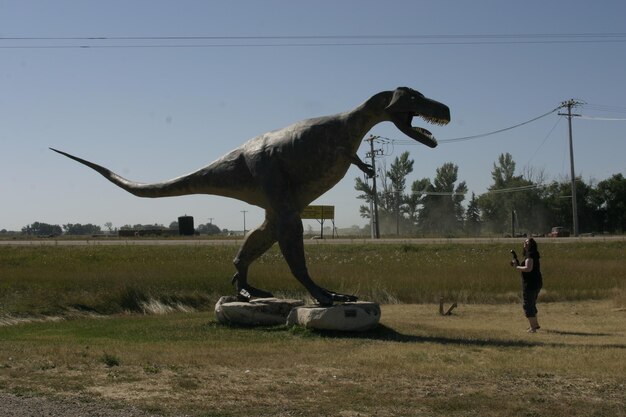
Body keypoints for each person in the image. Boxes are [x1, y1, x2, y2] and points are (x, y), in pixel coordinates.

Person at [511, 238, 543, 333]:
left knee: (528, 305)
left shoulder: (530, 255)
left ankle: (533, 328)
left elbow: (528, 268)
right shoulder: (533, 254)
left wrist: (517, 267)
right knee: (532, 303)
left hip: (530, 284)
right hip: (536, 282)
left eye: (527, 242)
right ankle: (535, 324)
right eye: (524, 242)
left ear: (532, 244)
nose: (525, 243)